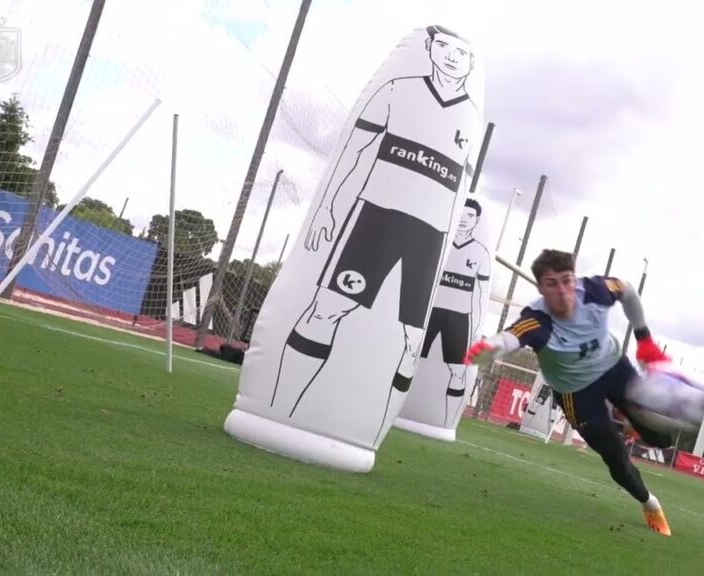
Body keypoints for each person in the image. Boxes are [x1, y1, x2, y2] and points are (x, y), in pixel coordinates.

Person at [272, 25, 481, 437]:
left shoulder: (470, 116)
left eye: (461, 52)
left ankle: (369, 435)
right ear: (429, 49)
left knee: (409, 342)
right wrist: (331, 207)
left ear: (471, 64)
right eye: (443, 47)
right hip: (377, 219)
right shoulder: (397, 90)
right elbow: (354, 151)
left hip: (429, 237)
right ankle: (278, 413)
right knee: (327, 308)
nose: (452, 56)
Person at [465, 248, 675, 536]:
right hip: (577, 395)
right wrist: (489, 348)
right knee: (616, 459)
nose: (563, 291)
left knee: (662, 437)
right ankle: (650, 502)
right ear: (541, 287)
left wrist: (644, 339)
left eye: (567, 280)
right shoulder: (538, 319)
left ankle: (634, 423)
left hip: (614, 369)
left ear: (574, 278)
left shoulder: (595, 290)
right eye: (552, 284)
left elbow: (627, 290)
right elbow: (510, 337)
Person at [419, 197, 490, 426]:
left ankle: (446, 422)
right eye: (461, 212)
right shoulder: (439, 240)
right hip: (429, 311)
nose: (463, 218)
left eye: (470, 215)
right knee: (408, 359)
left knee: (457, 370)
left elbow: (480, 292)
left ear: (477, 220)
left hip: (459, 318)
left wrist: (477, 324)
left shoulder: (481, 252)